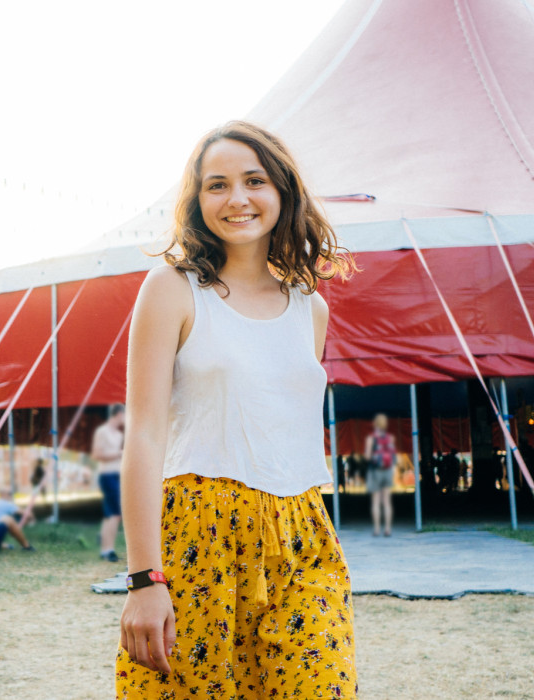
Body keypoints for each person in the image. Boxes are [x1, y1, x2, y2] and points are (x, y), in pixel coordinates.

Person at [116, 122, 358, 697]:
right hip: (200, 532)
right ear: (198, 202)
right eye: (216, 185)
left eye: (254, 180)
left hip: (302, 533)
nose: (238, 199)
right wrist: (144, 579)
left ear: (282, 190)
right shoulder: (172, 289)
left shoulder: (310, 308)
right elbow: (144, 437)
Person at [94, 404, 126, 561]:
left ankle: (105, 548)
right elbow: (98, 454)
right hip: (107, 475)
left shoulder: (119, 435)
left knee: (111, 514)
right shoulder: (102, 431)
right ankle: (108, 549)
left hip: (116, 474)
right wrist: (119, 453)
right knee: (115, 513)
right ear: (119, 414)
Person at [364, 413, 396, 537]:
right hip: (387, 471)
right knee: (387, 502)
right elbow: (392, 455)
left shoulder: (371, 438)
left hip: (375, 471)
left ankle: (377, 529)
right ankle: (387, 528)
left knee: (376, 502)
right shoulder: (390, 438)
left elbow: (367, 456)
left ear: (375, 423)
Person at [0, 488, 36, 552]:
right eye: (9, 494)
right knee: (9, 520)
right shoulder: (5, 504)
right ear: (2, 494)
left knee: (9, 519)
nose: (11, 495)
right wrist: (32, 517)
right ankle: (26, 546)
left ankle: (5, 544)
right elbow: (27, 514)